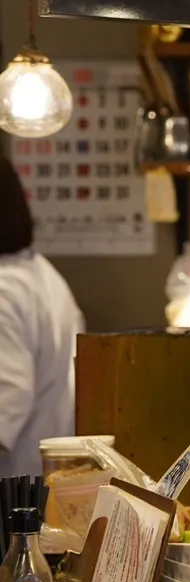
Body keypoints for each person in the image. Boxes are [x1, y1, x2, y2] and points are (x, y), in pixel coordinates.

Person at [0, 156, 85, 478]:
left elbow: (7, 400)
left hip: (15, 492)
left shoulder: (4, 290)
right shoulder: (39, 270)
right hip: (44, 483)